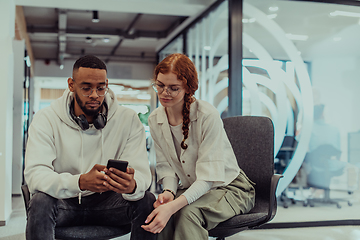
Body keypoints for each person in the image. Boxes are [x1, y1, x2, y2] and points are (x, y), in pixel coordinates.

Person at [24, 55, 156, 240]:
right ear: (71, 85)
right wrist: (79, 182)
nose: (95, 95)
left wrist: (132, 185)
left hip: (109, 204)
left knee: (147, 199)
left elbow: (142, 174)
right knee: (40, 201)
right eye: (86, 88)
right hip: (65, 202)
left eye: (101, 88)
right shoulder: (46, 118)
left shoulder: (127, 119)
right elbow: (35, 175)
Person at [141, 53, 256, 240]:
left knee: (187, 215)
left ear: (188, 88)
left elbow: (209, 178)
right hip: (193, 188)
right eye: (160, 85)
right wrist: (169, 192)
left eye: (173, 88)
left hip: (229, 188)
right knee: (163, 215)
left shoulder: (206, 115)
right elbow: (166, 167)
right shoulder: (155, 119)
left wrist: (172, 206)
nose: (164, 93)